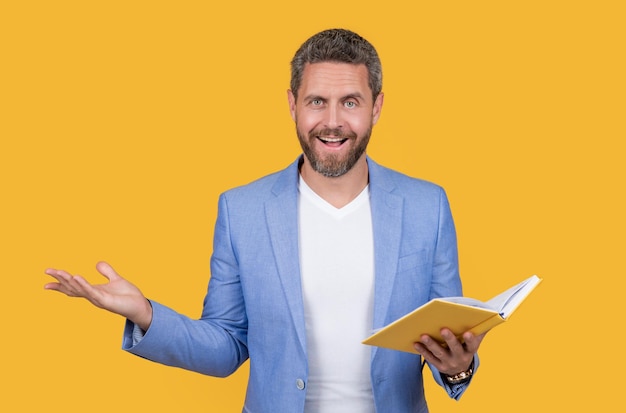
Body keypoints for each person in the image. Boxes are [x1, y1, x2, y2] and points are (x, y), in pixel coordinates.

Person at [44, 28, 485, 413]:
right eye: (317, 101)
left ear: (377, 106)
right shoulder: (242, 210)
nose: (332, 122)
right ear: (293, 104)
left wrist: (459, 368)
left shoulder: (428, 206)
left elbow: (447, 334)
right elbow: (227, 347)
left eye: (350, 102)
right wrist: (146, 315)